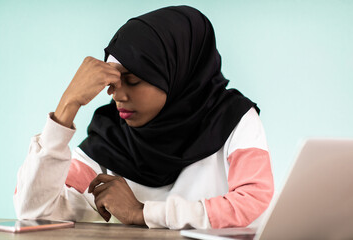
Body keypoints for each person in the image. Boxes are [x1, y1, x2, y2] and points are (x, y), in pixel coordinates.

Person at [14, 5, 274, 229]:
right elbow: (35, 215)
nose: (118, 95)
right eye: (113, 82)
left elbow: (253, 203)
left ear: (175, 74)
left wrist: (143, 212)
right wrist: (66, 107)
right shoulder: (110, 138)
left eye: (133, 80)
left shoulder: (232, 119)